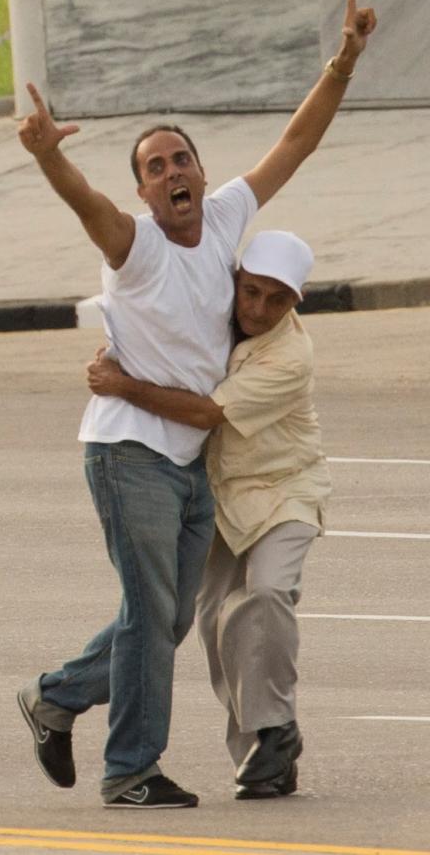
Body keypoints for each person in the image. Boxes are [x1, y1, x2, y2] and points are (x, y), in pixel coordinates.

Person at [13, 0, 374, 808]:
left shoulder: (223, 218)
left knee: (166, 623)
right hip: (128, 449)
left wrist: (344, 61)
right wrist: (48, 157)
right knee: (150, 615)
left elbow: (296, 141)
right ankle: (130, 768)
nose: (172, 173)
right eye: (155, 167)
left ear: (201, 172)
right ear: (142, 191)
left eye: (182, 159)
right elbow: (86, 204)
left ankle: (57, 696)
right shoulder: (133, 245)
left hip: (189, 460)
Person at [87, 230, 329, 801]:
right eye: (251, 292)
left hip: (283, 491)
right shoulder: (217, 313)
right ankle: (261, 753)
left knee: (266, 594)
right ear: (236, 281)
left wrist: (120, 384)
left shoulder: (290, 356)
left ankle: (273, 730)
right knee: (216, 618)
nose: (258, 309)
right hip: (216, 496)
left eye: (277, 300)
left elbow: (205, 412)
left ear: (296, 303)